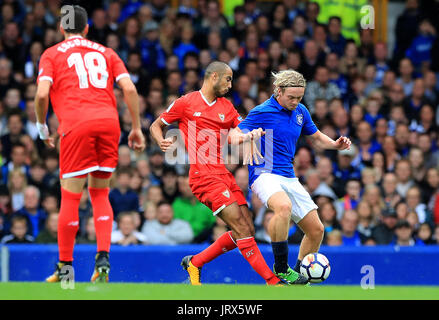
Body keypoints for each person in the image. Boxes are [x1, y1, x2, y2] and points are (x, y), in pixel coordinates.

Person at [34, 6, 145, 283]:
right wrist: (136, 127)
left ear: (62, 28)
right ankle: (103, 258)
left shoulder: (51, 54)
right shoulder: (106, 52)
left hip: (76, 125)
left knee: (71, 197)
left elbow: (41, 94)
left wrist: (41, 126)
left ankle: (65, 268)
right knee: (100, 194)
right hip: (108, 124)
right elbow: (130, 89)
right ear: (86, 28)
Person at [149, 61, 286, 285]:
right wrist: (160, 140)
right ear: (214, 76)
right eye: (228, 79)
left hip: (223, 174)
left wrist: (250, 137)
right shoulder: (186, 103)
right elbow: (156, 125)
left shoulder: (227, 107)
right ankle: (273, 281)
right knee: (242, 228)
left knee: (246, 227)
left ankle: (195, 262)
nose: (230, 85)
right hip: (203, 177)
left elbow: (238, 132)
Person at [229, 69, 352, 284]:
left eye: (299, 97)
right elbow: (233, 135)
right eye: (291, 97)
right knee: (283, 207)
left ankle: (297, 277)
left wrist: (334, 144)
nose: (296, 101)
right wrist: (248, 136)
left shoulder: (301, 111)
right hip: (263, 173)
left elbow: (316, 136)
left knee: (316, 230)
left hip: (288, 175)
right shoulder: (262, 111)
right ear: (278, 91)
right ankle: (281, 267)